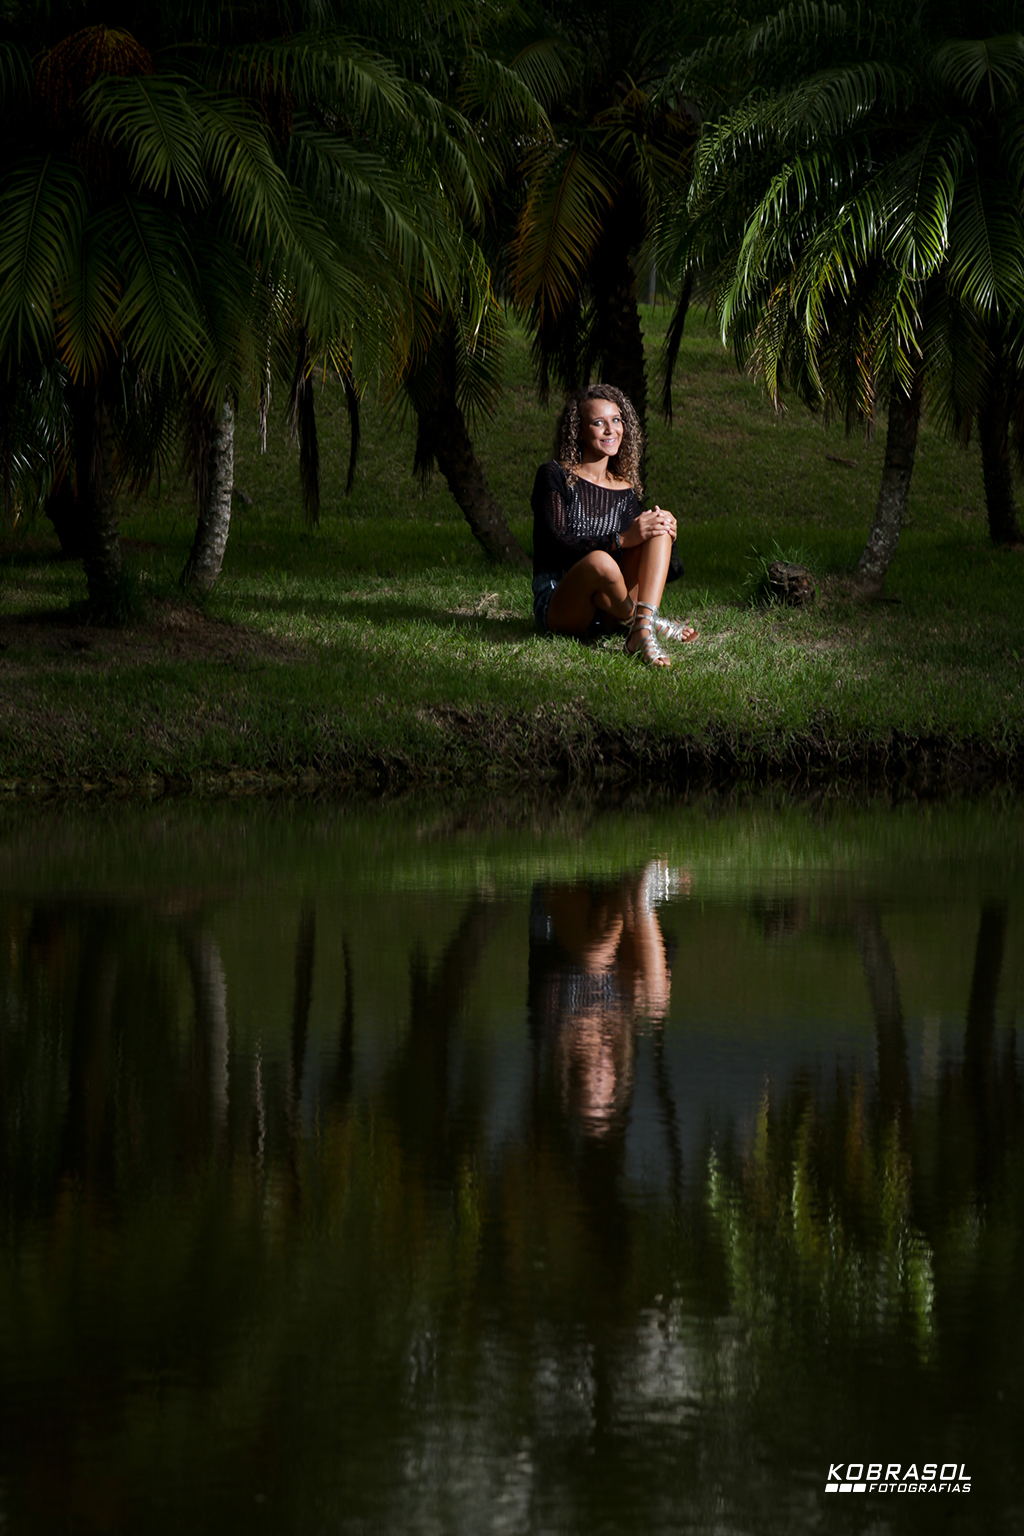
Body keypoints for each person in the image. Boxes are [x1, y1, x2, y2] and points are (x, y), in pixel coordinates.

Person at [531, 383, 698, 666]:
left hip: (607, 608)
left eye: (616, 420)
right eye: (599, 423)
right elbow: (555, 543)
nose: (611, 430)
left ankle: (639, 630)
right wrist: (619, 540)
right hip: (563, 603)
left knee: (658, 521)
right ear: (579, 431)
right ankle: (643, 622)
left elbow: (646, 561)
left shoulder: (625, 489)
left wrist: (668, 531)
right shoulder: (554, 475)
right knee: (601, 562)